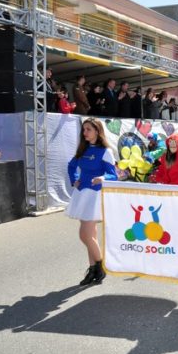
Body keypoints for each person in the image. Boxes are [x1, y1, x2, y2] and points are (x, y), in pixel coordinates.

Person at [66, 118, 117, 286]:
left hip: (95, 195)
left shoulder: (105, 151)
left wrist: (102, 177)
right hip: (82, 194)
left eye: (88, 129)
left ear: (97, 131)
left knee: (85, 235)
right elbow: (71, 166)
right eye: (84, 129)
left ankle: (101, 266)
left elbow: (113, 174)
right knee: (91, 236)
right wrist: (74, 180)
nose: (85, 132)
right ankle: (93, 269)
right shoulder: (83, 149)